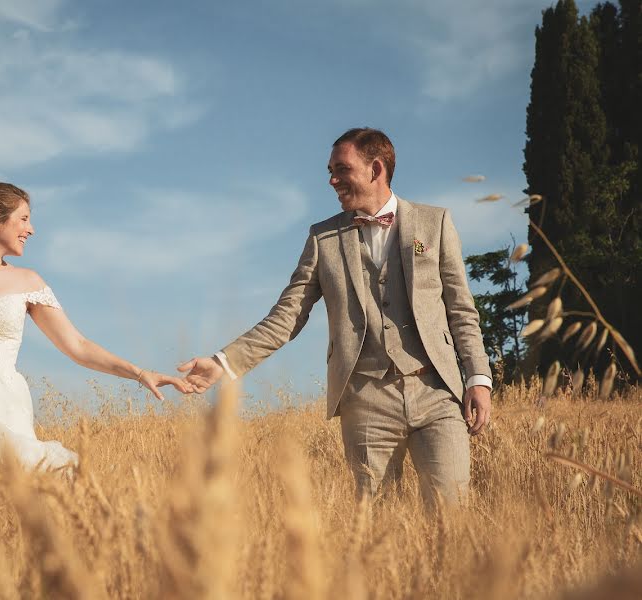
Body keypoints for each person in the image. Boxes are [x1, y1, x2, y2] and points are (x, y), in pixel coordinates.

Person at [180, 128, 492, 506]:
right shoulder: (322, 239)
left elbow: (461, 310)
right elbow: (286, 317)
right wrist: (222, 363)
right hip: (366, 401)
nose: (332, 180)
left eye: (342, 169)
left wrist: (478, 378)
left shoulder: (435, 223)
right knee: (377, 533)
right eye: (330, 170)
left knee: (452, 516)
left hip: (438, 393)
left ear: (376, 169)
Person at [0, 178, 190, 472]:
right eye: (24, 219)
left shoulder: (29, 283)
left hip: (2, 403)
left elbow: (78, 346)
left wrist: (139, 373)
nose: (30, 230)